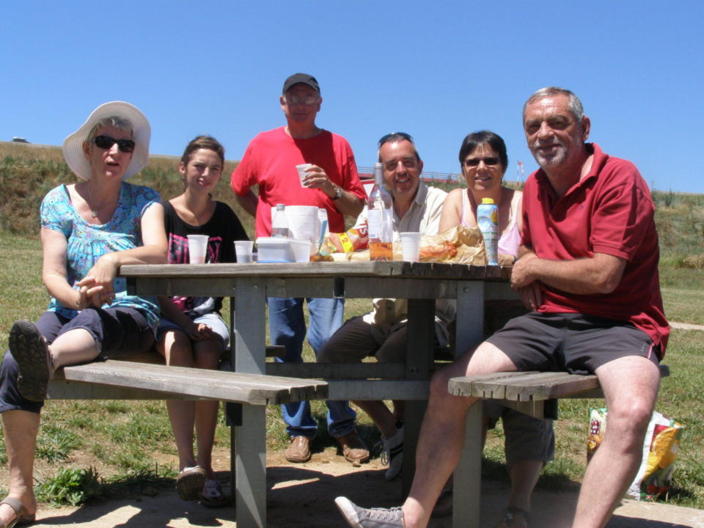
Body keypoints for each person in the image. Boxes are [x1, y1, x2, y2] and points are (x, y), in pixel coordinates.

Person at [335, 86, 669, 528]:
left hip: (619, 323)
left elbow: (604, 274)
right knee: (447, 386)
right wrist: (530, 267)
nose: (545, 133)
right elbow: (527, 248)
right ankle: (410, 518)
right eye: (534, 126)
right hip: (547, 321)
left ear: (584, 129)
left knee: (631, 410)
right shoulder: (534, 186)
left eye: (557, 123)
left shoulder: (618, 177)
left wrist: (534, 268)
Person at [0, 101, 167, 528]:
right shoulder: (57, 201)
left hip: (131, 312)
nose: (114, 151)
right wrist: (77, 298)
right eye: (105, 141)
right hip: (70, 307)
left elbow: (157, 250)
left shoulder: (146, 201)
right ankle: (21, 494)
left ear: (132, 154)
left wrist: (112, 263)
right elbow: (52, 273)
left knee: (94, 324)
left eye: (124, 145)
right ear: (88, 149)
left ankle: (48, 360)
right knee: (11, 363)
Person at [230, 73, 367, 464]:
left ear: (320, 103)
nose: (301, 103)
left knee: (329, 342)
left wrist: (330, 188)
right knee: (288, 340)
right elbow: (241, 188)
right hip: (279, 259)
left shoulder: (338, 145)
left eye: (309, 96)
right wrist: (263, 223)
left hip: (325, 259)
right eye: (294, 97)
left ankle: (342, 424)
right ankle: (300, 430)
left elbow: (356, 208)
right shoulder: (262, 143)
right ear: (282, 103)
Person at [438, 130, 554, 527]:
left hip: (519, 314)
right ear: (462, 169)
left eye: (490, 160)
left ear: (504, 165)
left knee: (526, 405)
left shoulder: (523, 200)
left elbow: (539, 251)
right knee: (468, 400)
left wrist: (523, 259)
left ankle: (519, 504)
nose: (482, 168)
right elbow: (448, 252)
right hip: (469, 314)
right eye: (472, 161)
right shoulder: (456, 201)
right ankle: (459, 489)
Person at [318, 132, 448, 477]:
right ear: (382, 172)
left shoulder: (439, 201)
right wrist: (336, 242)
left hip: (429, 312)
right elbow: (355, 239)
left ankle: (410, 438)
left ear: (420, 165)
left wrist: (369, 248)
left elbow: (434, 249)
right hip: (384, 311)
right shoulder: (376, 201)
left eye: (407, 162)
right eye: (392, 165)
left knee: (392, 356)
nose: (401, 170)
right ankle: (394, 432)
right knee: (331, 356)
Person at [157, 136, 248, 506]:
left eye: (213, 169)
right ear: (183, 168)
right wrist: (182, 321)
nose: (205, 174)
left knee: (209, 354)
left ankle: (208, 466)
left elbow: (244, 262)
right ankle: (187, 462)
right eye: (198, 166)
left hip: (207, 312)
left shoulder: (224, 216)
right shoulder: (162, 213)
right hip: (166, 313)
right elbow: (153, 285)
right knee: (179, 347)